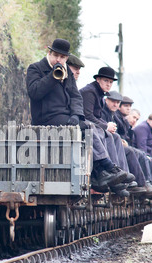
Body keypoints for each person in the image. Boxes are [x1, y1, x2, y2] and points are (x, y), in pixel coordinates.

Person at [26, 39, 127, 193]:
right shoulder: (36, 68)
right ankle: (105, 167)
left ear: (67, 58)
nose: (59, 60)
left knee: (90, 127)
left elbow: (76, 97)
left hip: (66, 116)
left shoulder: (67, 72)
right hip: (46, 117)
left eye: (63, 57)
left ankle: (101, 174)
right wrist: (53, 77)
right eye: (56, 56)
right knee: (89, 127)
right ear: (49, 53)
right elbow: (34, 92)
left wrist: (76, 115)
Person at [79, 67, 136, 196]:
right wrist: (105, 126)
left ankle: (118, 175)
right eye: (106, 81)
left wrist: (106, 126)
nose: (108, 84)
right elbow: (87, 115)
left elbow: (96, 117)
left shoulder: (99, 93)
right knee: (106, 134)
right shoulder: (90, 91)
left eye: (111, 82)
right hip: (83, 126)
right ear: (98, 79)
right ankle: (108, 169)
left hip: (92, 125)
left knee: (114, 136)